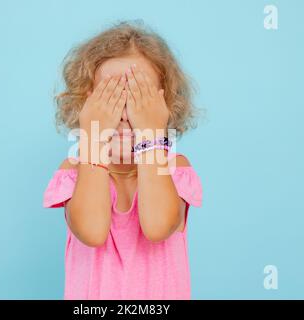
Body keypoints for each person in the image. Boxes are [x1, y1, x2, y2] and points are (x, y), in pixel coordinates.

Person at [43, 21, 203, 300]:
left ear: (164, 108)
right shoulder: (73, 172)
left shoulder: (176, 168)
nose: (125, 115)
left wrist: (151, 134)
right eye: (111, 99)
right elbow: (92, 232)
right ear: (85, 105)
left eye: (138, 99)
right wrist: (94, 138)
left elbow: (157, 227)